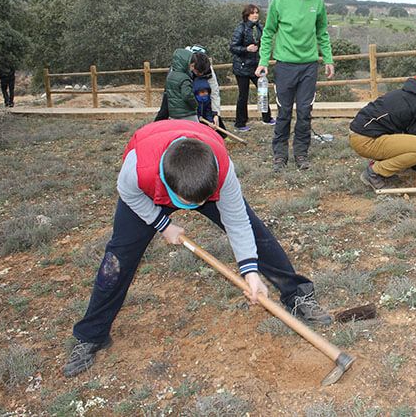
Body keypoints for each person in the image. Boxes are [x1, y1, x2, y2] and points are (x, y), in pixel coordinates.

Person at [62, 120, 332, 378]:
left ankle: (296, 294)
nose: (197, 206)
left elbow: (237, 222)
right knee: (117, 260)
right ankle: (91, 335)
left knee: (256, 233)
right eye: (188, 202)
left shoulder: (222, 170)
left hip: (198, 174)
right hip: (145, 193)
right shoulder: (137, 170)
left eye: (202, 201)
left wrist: (250, 272)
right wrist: (162, 224)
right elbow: (128, 194)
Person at [259, 0, 335, 172]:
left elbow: (322, 32)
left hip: (309, 66)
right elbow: (268, 32)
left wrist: (328, 59)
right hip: (285, 66)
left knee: (304, 112)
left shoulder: (317, 0)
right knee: (284, 112)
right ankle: (280, 155)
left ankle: (301, 153)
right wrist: (263, 61)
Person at [349, 76, 416, 191]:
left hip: (359, 134)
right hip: (366, 140)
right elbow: (415, 135)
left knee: (410, 141)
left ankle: (383, 170)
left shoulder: (415, 92)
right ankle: (374, 173)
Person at [230, 4, 273, 131]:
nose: (255, 15)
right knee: (243, 96)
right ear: (246, 15)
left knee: (263, 91)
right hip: (242, 67)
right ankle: (240, 123)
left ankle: (267, 118)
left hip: (256, 66)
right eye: (252, 13)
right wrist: (246, 49)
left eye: (257, 12)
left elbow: (265, 43)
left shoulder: (260, 27)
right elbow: (233, 47)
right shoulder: (240, 28)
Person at [164, 48, 198, 122]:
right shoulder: (185, 78)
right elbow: (187, 95)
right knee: (196, 128)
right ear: (185, 64)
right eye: (192, 66)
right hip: (187, 114)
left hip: (173, 114)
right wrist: (195, 105)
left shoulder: (170, 76)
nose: (193, 69)